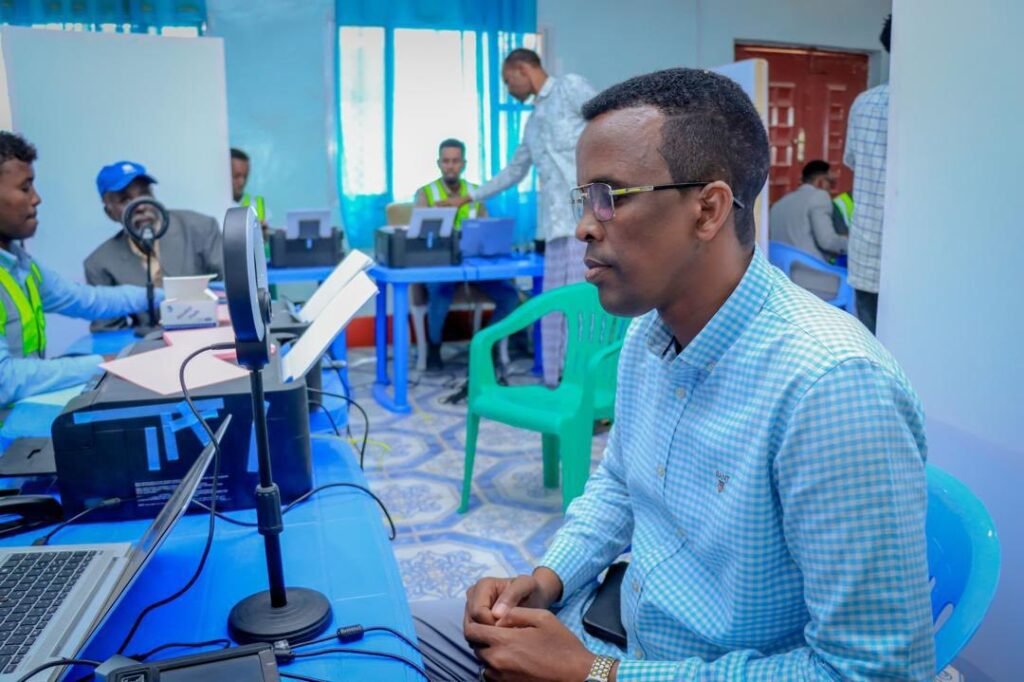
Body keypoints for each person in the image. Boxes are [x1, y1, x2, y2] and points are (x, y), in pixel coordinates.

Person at [412, 68, 934, 681]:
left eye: (609, 196)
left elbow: (872, 672)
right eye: (585, 198)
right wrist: (547, 580)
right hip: (613, 631)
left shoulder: (831, 388)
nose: (584, 225)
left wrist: (595, 676)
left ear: (707, 209)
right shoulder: (648, 333)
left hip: (654, 669)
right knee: (393, 637)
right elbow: (620, 485)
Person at [443, 48, 596, 387]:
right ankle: (557, 382)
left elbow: (606, 123)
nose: (508, 87)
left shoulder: (570, 87)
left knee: (583, 308)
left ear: (523, 69)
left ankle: (585, 383)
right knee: (555, 309)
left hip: (585, 221)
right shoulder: (533, 123)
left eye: (507, 79)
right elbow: (514, 171)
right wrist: (468, 197)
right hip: (554, 229)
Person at [0, 132, 155, 405]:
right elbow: (6, 380)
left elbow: (86, 299)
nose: (36, 199)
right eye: (25, 188)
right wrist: (103, 362)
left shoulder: (20, 264)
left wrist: (163, 296)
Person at [414, 138, 520, 372]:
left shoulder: (475, 193)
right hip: (441, 266)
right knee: (440, 292)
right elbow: (419, 235)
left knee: (510, 296)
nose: (450, 166)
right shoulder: (425, 194)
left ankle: (485, 345)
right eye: (446, 161)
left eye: (455, 161)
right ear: (439, 163)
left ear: (463, 164)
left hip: (475, 265)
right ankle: (433, 349)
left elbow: (486, 230)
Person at [85, 160, 223, 330]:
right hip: (145, 343)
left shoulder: (200, 228)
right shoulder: (99, 264)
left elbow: (229, 293)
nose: (140, 206)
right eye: (125, 200)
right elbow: (108, 331)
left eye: (144, 193)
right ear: (110, 213)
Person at [843, 14, 892, 334]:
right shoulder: (936, 107)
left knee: (871, 344)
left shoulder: (865, 103)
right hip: (918, 260)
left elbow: (852, 160)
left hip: (867, 251)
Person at [769, 159, 848, 299]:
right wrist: (853, 244)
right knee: (855, 285)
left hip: (782, 281)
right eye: (830, 183)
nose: (831, 189)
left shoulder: (779, 204)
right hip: (813, 282)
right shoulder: (819, 196)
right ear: (820, 182)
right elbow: (828, 241)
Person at [230, 147, 268, 229]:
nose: (242, 182)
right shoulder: (214, 206)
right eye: (236, 176)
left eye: (245, 176)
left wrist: (263, 233)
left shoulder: (256, 205)